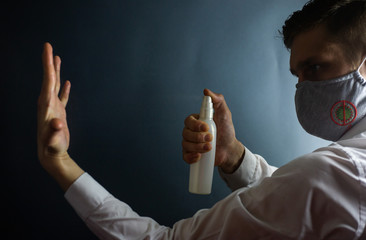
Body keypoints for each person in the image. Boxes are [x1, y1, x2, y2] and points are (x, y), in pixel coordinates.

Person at [37, 0, 366, 239]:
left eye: (316, 66)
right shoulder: (343, 171)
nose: (303, 88)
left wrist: (59, 161)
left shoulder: (338, 171)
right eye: (297, 75)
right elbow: (302, 199)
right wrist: (234, 156)